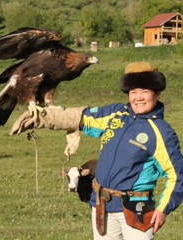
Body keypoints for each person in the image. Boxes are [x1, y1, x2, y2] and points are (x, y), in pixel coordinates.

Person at [10, 62, 183, 240]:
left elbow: (176, 176)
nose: (138, 97)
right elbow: (81, 118)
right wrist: (45, 117)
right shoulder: (116, 113)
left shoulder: (161, 132)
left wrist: (163, 209)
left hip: (137, 210)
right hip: (103, 205)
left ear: (157, 93)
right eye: (133, 92)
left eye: (145, 91)